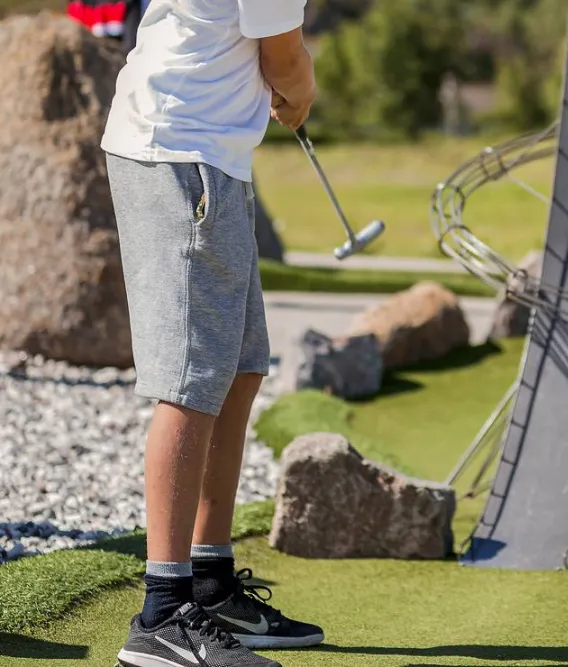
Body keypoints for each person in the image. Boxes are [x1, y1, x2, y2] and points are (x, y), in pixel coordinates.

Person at [100, 0, 320, 664]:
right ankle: (163, 613)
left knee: (240, 366)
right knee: (191, 380)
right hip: (181, 153)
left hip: (206, 154)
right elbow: (283, 57)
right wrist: (301, 92)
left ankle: (209, 581)